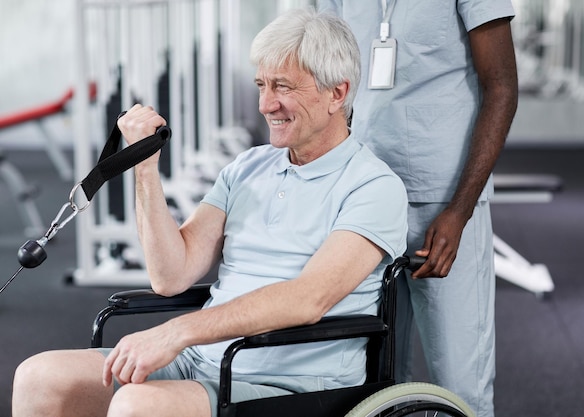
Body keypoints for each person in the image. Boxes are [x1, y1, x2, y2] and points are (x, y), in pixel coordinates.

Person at [11, 8, 408, 417]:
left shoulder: (373, 187)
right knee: (39, 378)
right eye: (261, 85)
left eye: (282, 87)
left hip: (291, 385)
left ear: (337, 94)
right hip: (205, 363)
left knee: (137, 405)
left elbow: (307, 299)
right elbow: (170, 276)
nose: (266, 104)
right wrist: (144, 166)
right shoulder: (247, 168)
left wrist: (178, 331)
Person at [317, 1, 519, 417]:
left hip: (444, 200)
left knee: (461, 381)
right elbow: (326, 79)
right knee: (372, 378)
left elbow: (501, 88)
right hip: (364, 197)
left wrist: (460, 211)